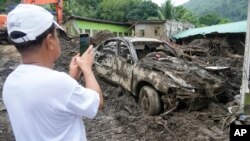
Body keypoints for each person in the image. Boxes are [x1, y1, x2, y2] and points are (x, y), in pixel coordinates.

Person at [2, 4, 103, 141]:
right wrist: (87, 68)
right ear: (50, 41)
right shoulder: (59, 83)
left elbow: (50, 98)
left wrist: (72, 76)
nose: (58, 40)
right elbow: (97, 104)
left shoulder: (10, 82)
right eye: (57, 35)